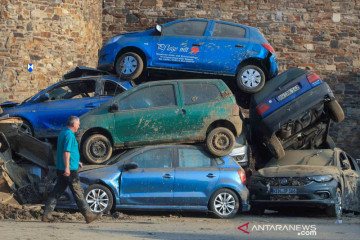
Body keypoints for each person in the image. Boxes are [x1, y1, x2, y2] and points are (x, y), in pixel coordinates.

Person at [42, 116, 101, 223]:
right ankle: (88, 215)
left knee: (57, 191)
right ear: (74, 124)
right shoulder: (69, 135)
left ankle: (47, 214)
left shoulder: (63, 133)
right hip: (69, 170)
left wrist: (76, 161)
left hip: (62, 167)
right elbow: (66, 151)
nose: (79, 126)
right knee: (78, 192)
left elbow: (65, 151)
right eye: (78, 124)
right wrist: (68, 168)